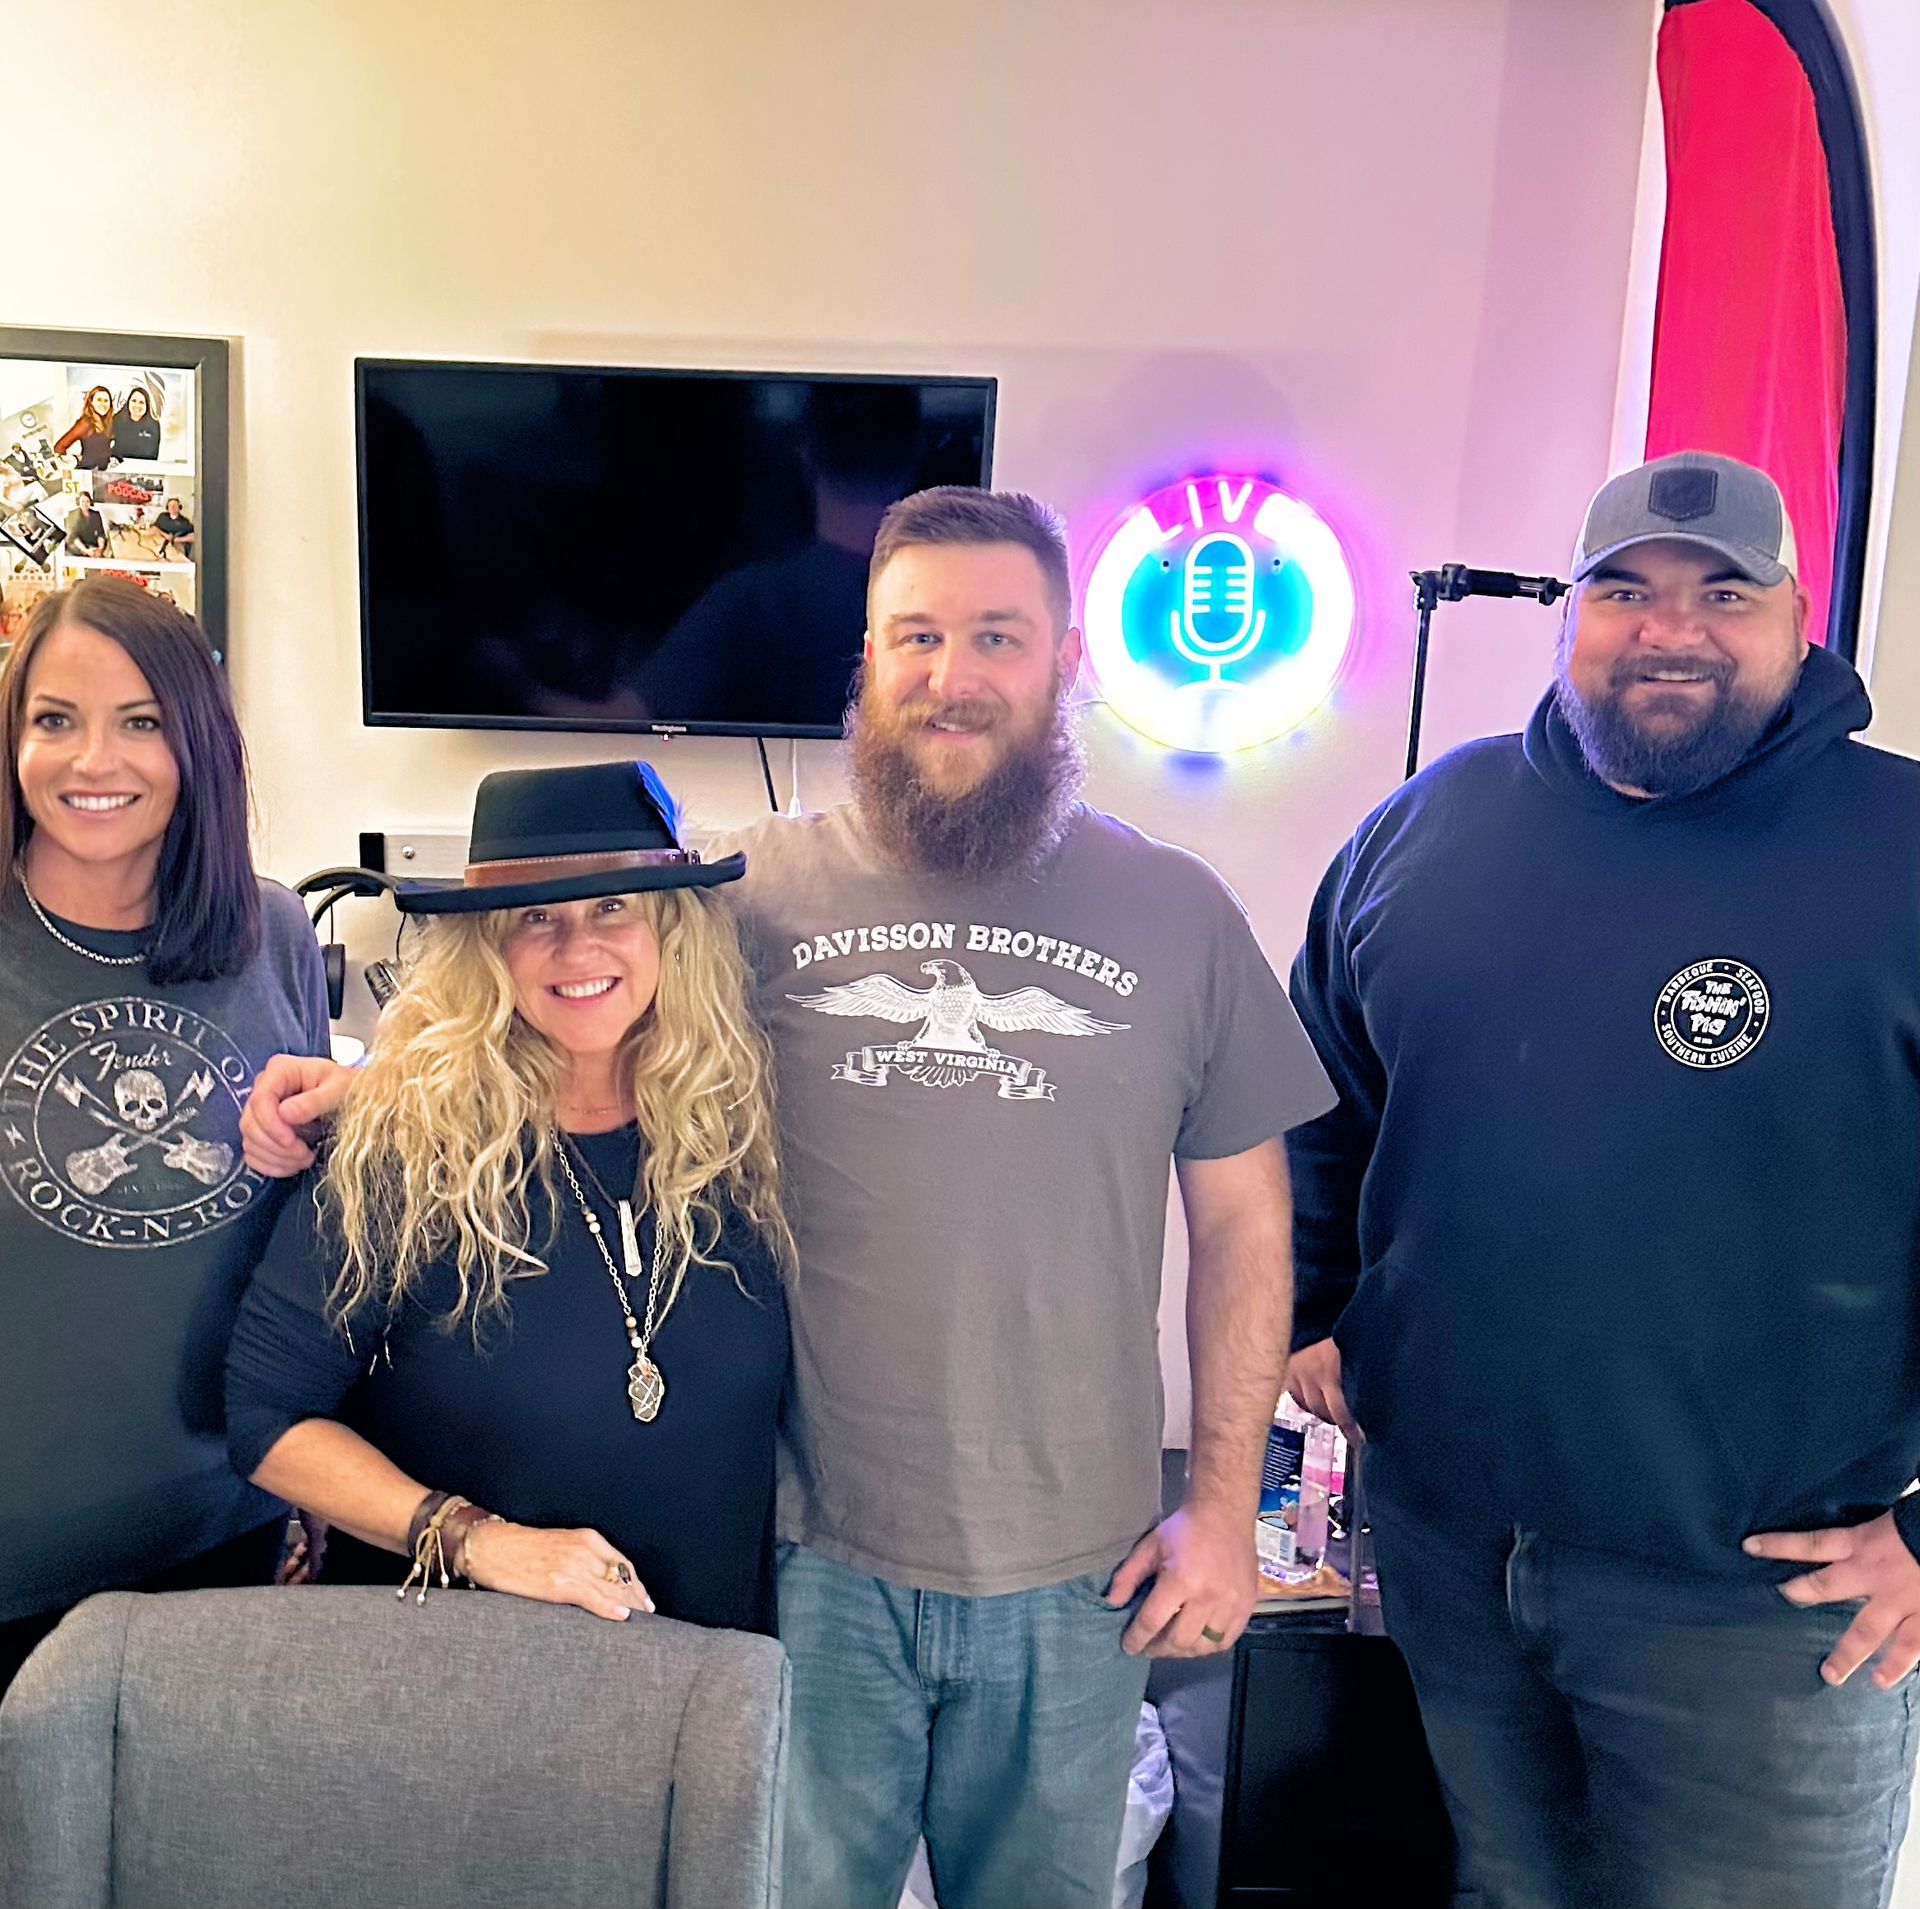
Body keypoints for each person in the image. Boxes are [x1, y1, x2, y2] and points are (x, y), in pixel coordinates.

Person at [243, 488, 1333, 1908]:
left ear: (1068, 658)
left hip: (1085, 1570)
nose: (954, 675)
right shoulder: (752, 898)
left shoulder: (1180, 912)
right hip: (812, 1553)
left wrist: (1232, 1498)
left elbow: (1249, 1220)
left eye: (997, 635)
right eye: (916, 635)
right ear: (867, 661)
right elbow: (563, 982)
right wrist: (372, 1084)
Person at [1284, 451, 1920, 1909]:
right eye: (1625, 590)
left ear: (1799, 616)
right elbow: (1322, 1095)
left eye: (1722, 594)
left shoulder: (1901, 849)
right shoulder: (1428, 827)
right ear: (1573, 611)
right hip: (1454, 1558)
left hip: (1761, 1604)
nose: (1669, 627)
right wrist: (1311, 1309)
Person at [224, 760, 792, 1635]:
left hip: (704, 1680)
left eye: (612, 906)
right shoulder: (402, 1151)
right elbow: (265, 1419)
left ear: (671, 930)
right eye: (536, 917)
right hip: (471, 1688)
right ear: (486, 947)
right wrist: (479, 1540)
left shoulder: (742, 1133)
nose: (579, 947)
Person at [0, 577, 332, 1695]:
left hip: (217, 1535)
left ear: (196, 741)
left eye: (140, 721)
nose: (95, 761)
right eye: (56, 719)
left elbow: (300, 1240)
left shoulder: (272, 930)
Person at [54, 385, 117, 472]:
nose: (103, 404)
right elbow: (59, 447)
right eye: (99, 400)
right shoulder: (85, 423)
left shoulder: (109, 421)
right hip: (88, 473)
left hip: (103, 473)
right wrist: (67, 467)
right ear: (91, 402)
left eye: (106, 401)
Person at [111, 386, 162, 462]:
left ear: (147, 405)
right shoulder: (116, 419)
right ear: (128, 402)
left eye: (141, 402)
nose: (137, 405)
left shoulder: (154, 425)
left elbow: (154, 454)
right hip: (119, 468)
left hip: (142, 469)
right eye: (134, 401)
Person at [62, 493, 108, 557]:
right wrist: (85, 550)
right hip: (77, 546)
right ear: (78, 502)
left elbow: (100, 533)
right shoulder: (72, 514)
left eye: (87, 501)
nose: (85, 504)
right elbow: (73, 537)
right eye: (82, 501)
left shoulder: (96, 515)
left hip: (92, 544)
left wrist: (100, 548)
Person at [155, 496, 196, 561]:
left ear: (179, 507)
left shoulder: (184, 522)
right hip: (160, 544)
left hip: (177, 547)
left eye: (175, 505)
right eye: (170, 505)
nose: (172, 507)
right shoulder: (162, 517)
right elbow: (155, 528)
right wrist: (165, 536)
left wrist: (176, 540)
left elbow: (193, 537)